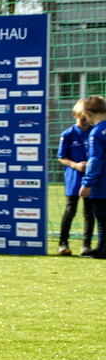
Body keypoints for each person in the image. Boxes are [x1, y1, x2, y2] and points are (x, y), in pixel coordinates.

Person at [57, 100, 93, 256]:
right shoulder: (68, 134)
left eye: (87, 118)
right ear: (74, 116)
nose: (84, 122)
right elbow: (61, 157)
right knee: (70, 210)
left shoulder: (95, 132)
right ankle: (63, 243)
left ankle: (87, 245)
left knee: (89, 212)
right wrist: (76, 165)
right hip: (74, 179)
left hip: (91, 180)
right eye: (81, 119)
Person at [78, 95, 106, 259]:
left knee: (102, 217)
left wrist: (87, 183)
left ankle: (103, 248)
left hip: (102, 184)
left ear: (87, 113)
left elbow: (95, 160)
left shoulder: (96, 132)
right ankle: (101, 246)